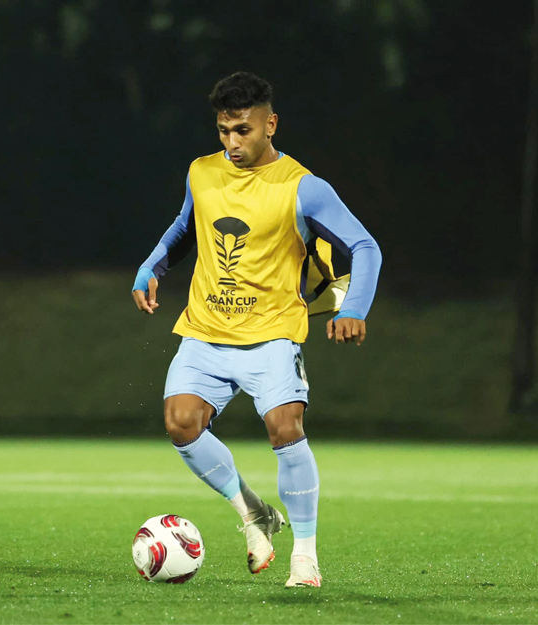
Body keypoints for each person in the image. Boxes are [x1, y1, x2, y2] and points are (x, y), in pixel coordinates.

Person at [131, 72, 381, 588]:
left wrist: (352, 307)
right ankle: (253, 513)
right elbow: (185, 227)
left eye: (242, 130)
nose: (232, 142)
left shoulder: (303, 187)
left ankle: (305, 558)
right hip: (205, 328)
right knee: (180, 423)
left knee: (285, 429)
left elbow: (365, 246)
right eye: (223, 131)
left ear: (270, 124)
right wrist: (152, 266)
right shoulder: (202, 172)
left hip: (271, 333)